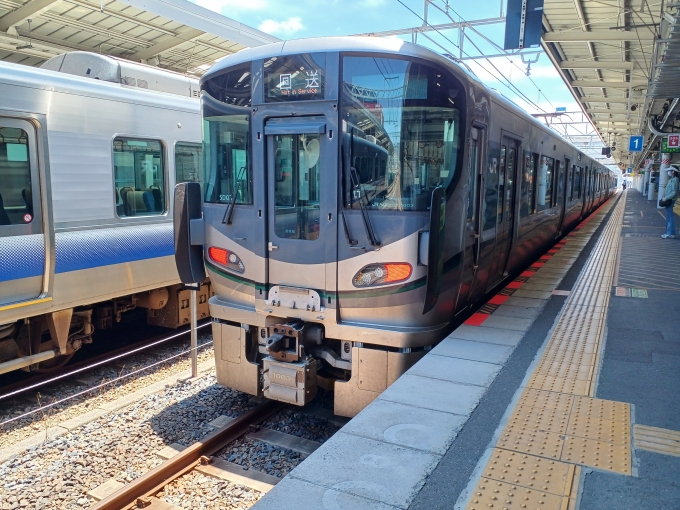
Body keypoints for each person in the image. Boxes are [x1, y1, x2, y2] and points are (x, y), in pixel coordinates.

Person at [661, 165, 679, 239]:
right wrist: (664, 197)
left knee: (669, 217)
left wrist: (666, 198)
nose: (668, 172)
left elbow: (674, 192)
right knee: (669, 217)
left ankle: (669, 233)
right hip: (668, 199)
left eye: (670, 170)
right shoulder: (672, 179)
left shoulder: (675, 180)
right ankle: (671, 233)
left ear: (673, 171)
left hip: (670, 200)